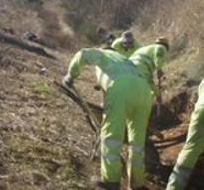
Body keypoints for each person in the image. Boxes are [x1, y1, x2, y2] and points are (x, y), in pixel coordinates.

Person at [63, 47, 153, 189]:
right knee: (137, 142)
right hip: (145, 92)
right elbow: (107, 93)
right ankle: (137, 184)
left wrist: (71, 75)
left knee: (111, 138)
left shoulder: (103, 54)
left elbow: (83, 54)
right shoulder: (125, 61)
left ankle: (111, 182)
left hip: (121, 89)